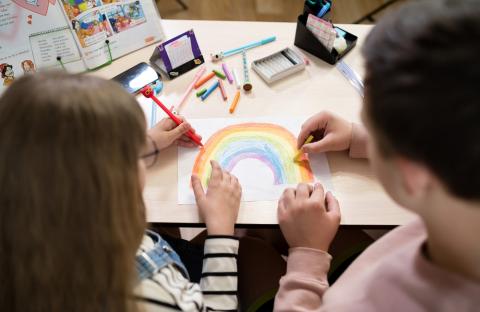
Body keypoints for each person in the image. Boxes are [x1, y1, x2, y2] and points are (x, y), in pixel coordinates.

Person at [274, 1, 480, 311]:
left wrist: (305, 253)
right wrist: (359, 137)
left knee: (255, 246)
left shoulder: (363, 303)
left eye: (375, 130)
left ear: (411, 174)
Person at [0, 72, 242, 311]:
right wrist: (221, 231)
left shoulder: (27, 235)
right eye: (129, 155)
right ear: (110, 184)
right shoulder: (152, 290)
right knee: (255, 251)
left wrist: (137, 144)